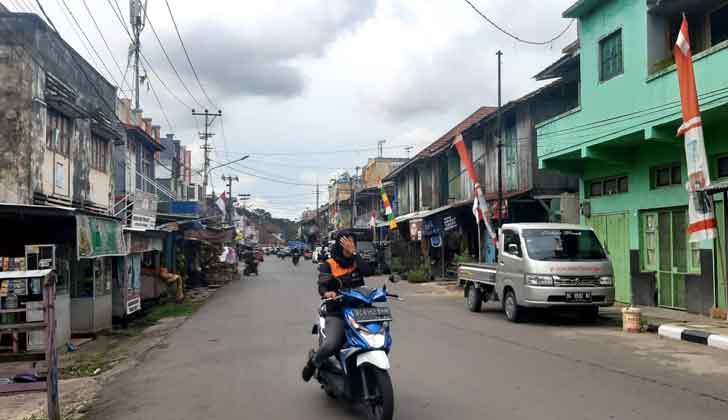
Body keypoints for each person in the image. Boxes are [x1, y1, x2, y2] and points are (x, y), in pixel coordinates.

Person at [302, 231, 372, 382]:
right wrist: (327, 293)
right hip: (338, 311)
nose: (350, 245)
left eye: (353, 243)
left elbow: (369, 272)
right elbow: (322, 286)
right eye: (346, 243)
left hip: (359, 311)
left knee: (375, 338)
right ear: (340, 245)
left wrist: (354, 253)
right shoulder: (329, 264)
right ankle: (314, 362)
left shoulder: (357, 261)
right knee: (332, 344)